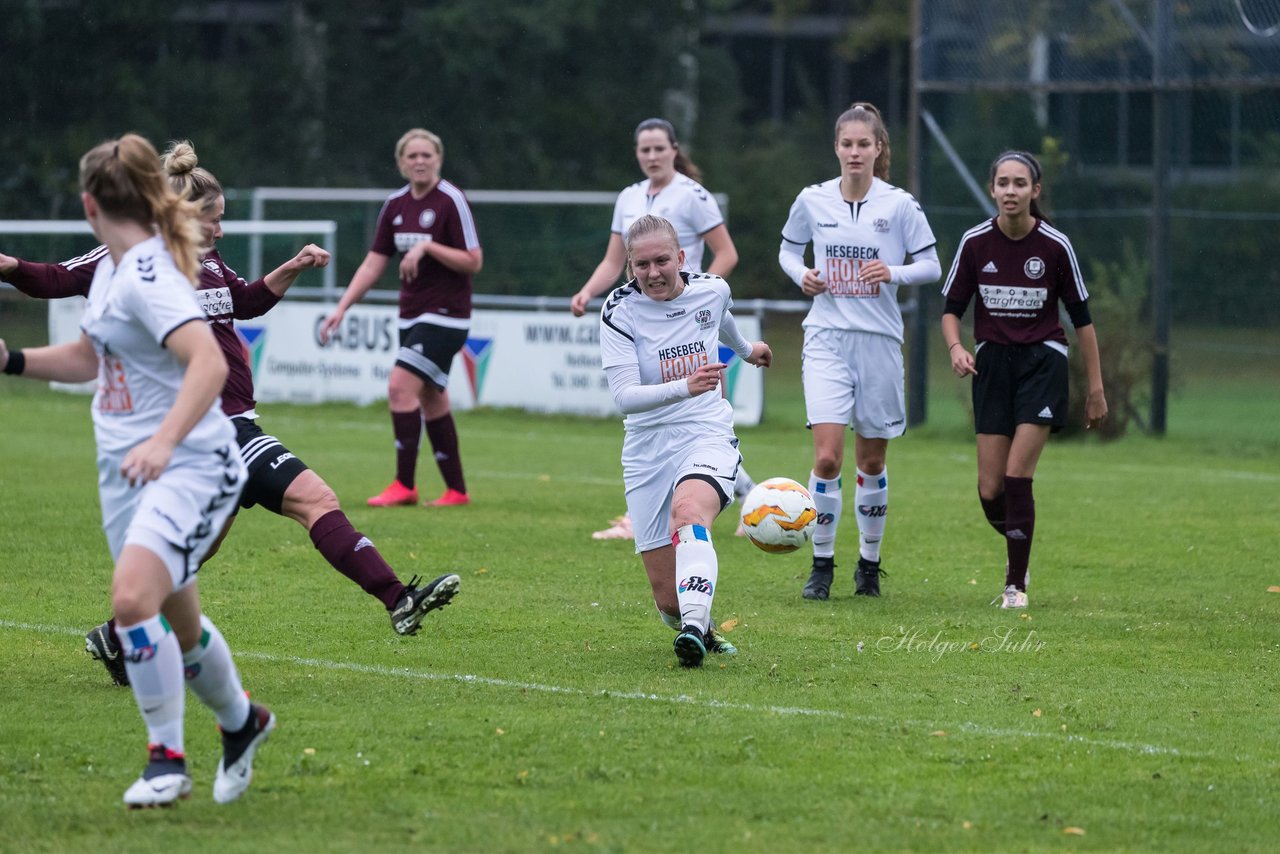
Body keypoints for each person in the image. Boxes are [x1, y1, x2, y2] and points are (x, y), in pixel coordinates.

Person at [0, 140, 461, 689]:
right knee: (315, 500)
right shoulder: (135, 263)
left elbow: (245, 302)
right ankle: (398, 598)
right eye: (214, 220)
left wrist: (290, 268)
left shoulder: (210, 260)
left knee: (195, 550)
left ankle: (119, 638)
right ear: (181, 215)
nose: (221, 231)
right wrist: (6, 267)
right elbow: (54, 278)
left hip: (228, 425)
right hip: (212, 429)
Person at [0, 133, 271, 807]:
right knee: (179, 625)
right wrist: (11, 361)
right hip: (126, 472)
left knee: (129, 604)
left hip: (184, 466)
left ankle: (166, 760)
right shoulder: (119, 270)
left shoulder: (149, 270)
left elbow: (207, 363)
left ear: (90, 204)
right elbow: (92, 361)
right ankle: (244, 723)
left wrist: (163, 441)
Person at [778, 102, 942, 600]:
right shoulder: (812, 200)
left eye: (863, 144)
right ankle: (821, 566)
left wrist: (892, 272)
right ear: (836, 148)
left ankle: (868, 567)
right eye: (846, 144)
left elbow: (932, 266)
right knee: (827, 459)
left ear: (878, 150)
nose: (854, 152)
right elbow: (787, 250)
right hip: (826, 338)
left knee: (871, 461)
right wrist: (800, 274)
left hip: (879, 344)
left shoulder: (899, 205)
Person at [570, 117, 756, 540]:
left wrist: (696, 305)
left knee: (698, 424)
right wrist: (587, 292)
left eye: (659, 148)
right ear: (636, 154)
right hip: (644, 327)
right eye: (644, 150)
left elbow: (726, 253)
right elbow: (613, 261)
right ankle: (744, 499)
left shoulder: (692, 196)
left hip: (688, 330)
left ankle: (733, 502)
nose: (652, 156)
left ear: (674, 149)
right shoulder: (629, 197)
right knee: (656, 426)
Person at [599, 214, 771, 667]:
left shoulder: (711, 289)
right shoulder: (618, 310)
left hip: (705, 430)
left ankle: (694, 631)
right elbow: (624, 398)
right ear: (629, 267)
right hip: (646, 447)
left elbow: (721, 319)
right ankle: (695, 623)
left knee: (688, 512)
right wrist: (685, 385)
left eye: (661, 261)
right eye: (641, 265)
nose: (653, 273)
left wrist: (747, 351)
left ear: (680, 258)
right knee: (667, 601)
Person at [940, 150, 1107, 609]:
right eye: (1003, 183)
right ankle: (1021, 548)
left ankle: (1016, 585)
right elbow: (951, 311)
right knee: (989, 489)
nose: (1010, 191)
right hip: (992, 366)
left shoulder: (1055, 246)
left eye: (1020, 183)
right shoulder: (975, 243)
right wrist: (957, 348)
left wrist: (1095, 389)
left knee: (1017, 477)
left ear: (1035, 191)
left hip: (1043, 363)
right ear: (992, 189)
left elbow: (1083, 322)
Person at [319, 128, 481, 508]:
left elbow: (474, 260)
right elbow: (374, 263)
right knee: (431, 398)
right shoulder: (394, 205)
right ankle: (456, 490)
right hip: (411, 315)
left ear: (438, 159)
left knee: (398, 387)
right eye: (413, 156)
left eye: (427, 155)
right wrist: (342, 307)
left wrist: (428, 246)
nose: (420, 161)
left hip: (447, 316)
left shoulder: (451, 200)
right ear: (401, 162)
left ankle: (404, 485)